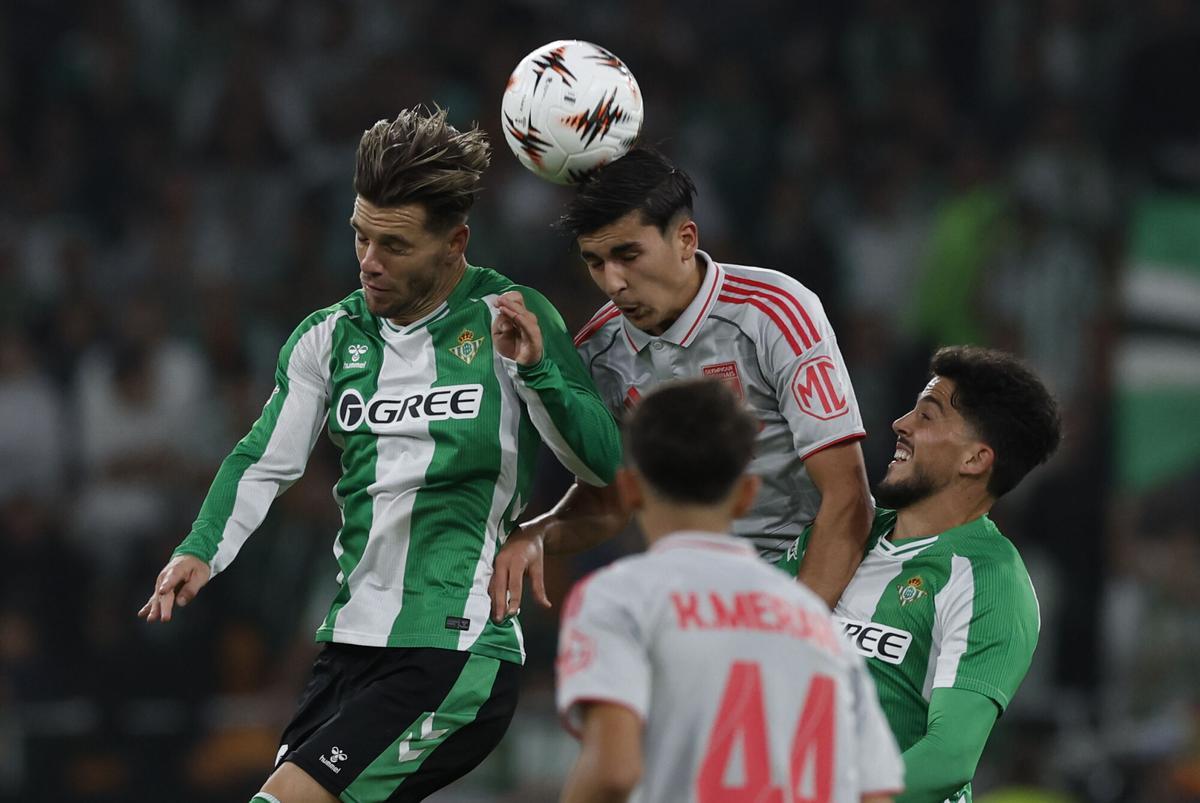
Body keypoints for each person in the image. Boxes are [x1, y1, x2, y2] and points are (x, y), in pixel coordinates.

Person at [137, 106, 622, 803]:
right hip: (346, 647)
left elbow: (603, 463)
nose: (369, 260)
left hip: (454, 651)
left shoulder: (510, 317)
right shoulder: (328, 338)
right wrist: (201, 547)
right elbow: (263, 458)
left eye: (394, 245)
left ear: (455, 241)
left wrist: (540, 371)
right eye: (361, 236)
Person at [491, 147, 873, 619]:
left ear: (686, 239)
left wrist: (794, 630)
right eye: (595, 262)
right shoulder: (598, 352)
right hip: (699, 595)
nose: (613, 282)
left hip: (819, 575)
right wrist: (538, 534)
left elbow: (847, 496)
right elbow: (609, 501)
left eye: (628, 255)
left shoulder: (775, 313)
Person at [556, 378, 904, 803]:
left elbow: (613, 770)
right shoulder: (820, 623)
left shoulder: (618, 598)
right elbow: (875, 794)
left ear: (629, 490)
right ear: (745, 495)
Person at [778, 346, 1063, 803]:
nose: (901, 423)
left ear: (975, 459)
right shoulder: (846, 529)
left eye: (926, 417)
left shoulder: (990, 580)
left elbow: (948, 758)